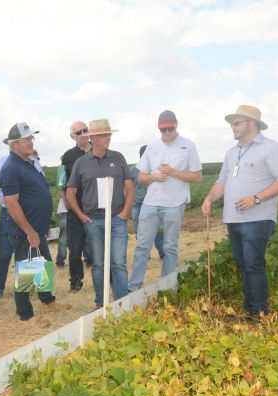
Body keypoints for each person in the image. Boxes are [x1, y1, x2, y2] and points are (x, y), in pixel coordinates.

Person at [202, 105, 278, 319]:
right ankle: (250, 310)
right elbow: (221, 181)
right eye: (232, 124)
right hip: (233, 219)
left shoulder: (271, 148)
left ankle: (259, 313)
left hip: (258, 218)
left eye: (236, 123)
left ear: (252, 124)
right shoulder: (232, 152)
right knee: (244, 265)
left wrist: (256, 198)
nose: (232, 127)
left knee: (253, 264)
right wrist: (209, 197)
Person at [0, 122, 70, 328]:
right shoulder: (11, 168)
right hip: (24, 231)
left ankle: (47, 301)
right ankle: (25, 315)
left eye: (32, 138)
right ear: (15, 144)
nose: (31, 142)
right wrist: (29, 230)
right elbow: (11, 204)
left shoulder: (27, 163)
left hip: (36, 228)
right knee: (28, 270)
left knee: (44, 263)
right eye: (27, 139)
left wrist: (41, 225)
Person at [129, 110, 203, 291]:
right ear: (159, 129)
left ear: (176, 125)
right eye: (164, 130)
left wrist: (172, 172)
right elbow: (140, 177)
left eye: (170, 129)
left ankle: (166, 287)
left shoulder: (188, 146)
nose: (167, 133)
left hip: (175, 203)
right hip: (150, 203)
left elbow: (197, 176)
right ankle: (134, 287)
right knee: (142, 246)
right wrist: (153, 177)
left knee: (170, 247)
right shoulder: (152, 148)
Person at [66, 119, 134, 307]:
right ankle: (100, 304)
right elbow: (70, 193)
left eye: (109, 134)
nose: (108, 138)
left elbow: (129, 187)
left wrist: (124, 213)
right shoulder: (81, 163)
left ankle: (121, 303)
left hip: (117, 219)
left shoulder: (118, 158)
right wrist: (81, 217)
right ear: (93, 138)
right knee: (98, 264)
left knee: (119, 262)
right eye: (105, 135)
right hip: (93, 221)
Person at [0, 150, 44, 299]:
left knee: (32, 254)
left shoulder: (34, 161)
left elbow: (41, 184)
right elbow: (10, 190)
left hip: (31, 215)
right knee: (6, 254)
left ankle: (31, 291)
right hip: (10, 213)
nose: (30, 145)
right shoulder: (3, 162)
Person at [61, 121, 93, 292]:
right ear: (72, 136)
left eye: (85, 130)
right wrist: (67, 203)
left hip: (96, 211)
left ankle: (107, 279)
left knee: (100, 248)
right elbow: (62, 183)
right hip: (75, 211)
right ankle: (75, 282)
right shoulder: (68, 157)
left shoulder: (99, 150)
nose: (82, 134)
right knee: (74, 250)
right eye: (78, 132)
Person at [130, 145, 165, 259]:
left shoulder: (155, 170)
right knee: (140, 231)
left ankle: (162, 253)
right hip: (137, 204)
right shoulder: (133, 170)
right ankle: (145, 254)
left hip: (153, 203)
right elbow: (128, 187)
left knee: (157, 229)